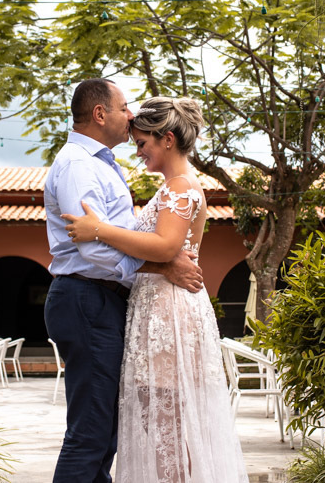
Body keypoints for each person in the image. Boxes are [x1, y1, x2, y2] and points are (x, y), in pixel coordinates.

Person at [63, 96, 249, 483]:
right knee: (159, 423)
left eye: (143, 144)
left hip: (169, 313)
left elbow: (166, 247)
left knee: (169, 426)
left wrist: (99, 230)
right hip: (155, 309)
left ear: (167, 139)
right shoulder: (171, 187)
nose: (139, 152)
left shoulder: (180, 188)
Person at [43, 79, 204, 483]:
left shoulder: (102, 164)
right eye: (124, 107)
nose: (130, 114)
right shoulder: (80, 165)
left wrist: (146, 255)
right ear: (101, 114)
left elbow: (114, 234)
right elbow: (92, 249)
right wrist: (161, 266)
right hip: (88, 297)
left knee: (106, 431)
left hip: (105, 300)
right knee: (93, 431)